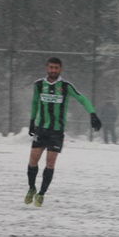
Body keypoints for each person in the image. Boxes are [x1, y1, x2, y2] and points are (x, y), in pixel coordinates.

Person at [25, 57, 102, 207]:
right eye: (51, 67)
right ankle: (31, 188)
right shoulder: (39, 85)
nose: (53, 70)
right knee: (33, 161)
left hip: (56, 132)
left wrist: (92, 114)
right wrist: (32, 121)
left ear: (61, 69)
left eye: (56, 68)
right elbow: (34, 103)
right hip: (41, 129)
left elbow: (83, 99)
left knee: (50, 163)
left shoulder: (65, 86)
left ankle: (41, 194)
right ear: (47, 68)